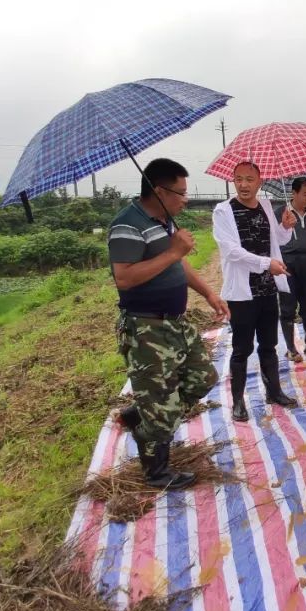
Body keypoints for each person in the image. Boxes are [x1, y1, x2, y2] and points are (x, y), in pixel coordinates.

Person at [108, 158, 229, 489]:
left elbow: (180, 267)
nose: (185, 199)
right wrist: (173, 253)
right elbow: (125, 278)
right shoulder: (126, 225)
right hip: (147, 328)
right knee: (161, 415)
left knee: (204, 377)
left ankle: (144, 412)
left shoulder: (165, 222)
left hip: (176, 322)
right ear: (159, 191)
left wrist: (208, 293)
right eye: (181, 192)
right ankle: (157, 470)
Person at [213, 161, 300, 422]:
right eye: (238, 179)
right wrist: (265, 264)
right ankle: (238, 401)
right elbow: (231, 251)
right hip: (241, 293)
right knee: (241, 349)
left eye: (249, 179)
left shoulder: (264, 206)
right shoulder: (223, 211)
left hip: (266, 290)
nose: (244, 184)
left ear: (260, 181)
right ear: (233, 181)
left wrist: (286, 226)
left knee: (269, 345)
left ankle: (273, 391)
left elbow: (277, 241)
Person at [273, 177, 306, 361]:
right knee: (288, 307)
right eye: (304, 194)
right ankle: (291, 349)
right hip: (286, 262)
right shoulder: (280, 212)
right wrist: (284, 225)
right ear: (294, 193)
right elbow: (273, 241)